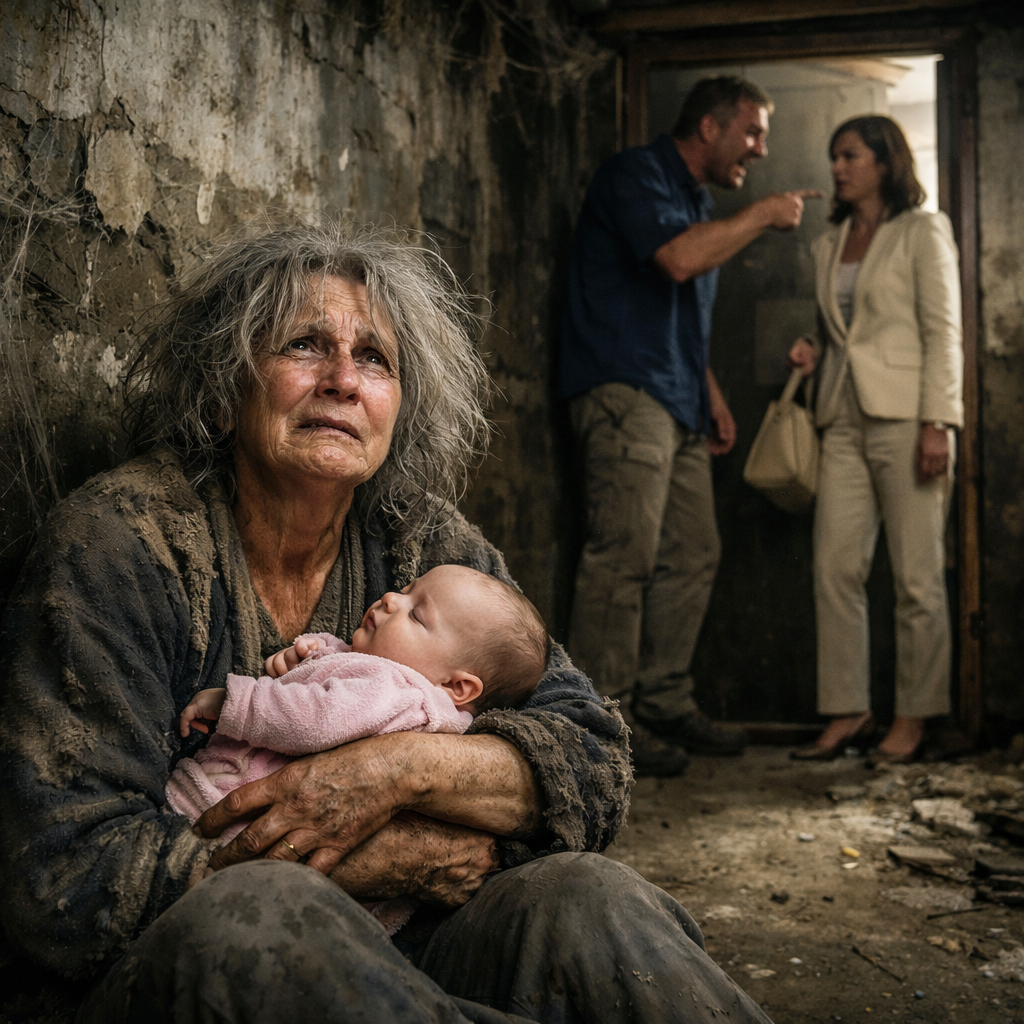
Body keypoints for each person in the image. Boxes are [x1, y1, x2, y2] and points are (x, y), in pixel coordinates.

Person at [0, 225, 772, 1023]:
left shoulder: (418, 539)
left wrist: (394, 772)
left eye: (374, 358)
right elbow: (62, 871)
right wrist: (391, 856)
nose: (342, 380)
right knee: (259, 914)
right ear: (225, 386)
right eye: (304, 345)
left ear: (399, 407)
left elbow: (594, 760)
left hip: (400, 949)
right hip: (169, 974)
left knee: (587, 897)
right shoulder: (124, 543)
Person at [560, 75, 820, 776]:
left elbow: (677, 309)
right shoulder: (636, 174)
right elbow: (676, 260)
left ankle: (663, 699)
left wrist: (711, 394)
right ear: (709, 127)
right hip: (625, 392)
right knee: (623, 558)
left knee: (694, 552)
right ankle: (599, 724)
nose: (761, 149)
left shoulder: (700, 203)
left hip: (677, 399)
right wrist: (764, 215)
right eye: (754, 131)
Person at [166, 564, 548, 934]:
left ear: (458, 687)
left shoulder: (399, 692)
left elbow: (314, 719)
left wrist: (237, 704)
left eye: (416, 615)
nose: (390, 599)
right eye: (406, 589)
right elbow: (352, 686)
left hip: (232, 813)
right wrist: (318, 654)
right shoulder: (410, 696)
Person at [787, 115, 962, 765]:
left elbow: (943, 332)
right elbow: (841, 331)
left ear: (885, 162)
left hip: (908, 417)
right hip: (841, 417)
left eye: (851, 155)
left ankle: (912, 717)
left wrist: (939, 420)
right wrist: (812, 347)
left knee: (917, 577)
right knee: (835, 569)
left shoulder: (923, 231)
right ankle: (848, 709)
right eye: (834, 156)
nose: (838, 167)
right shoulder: (828, 242)